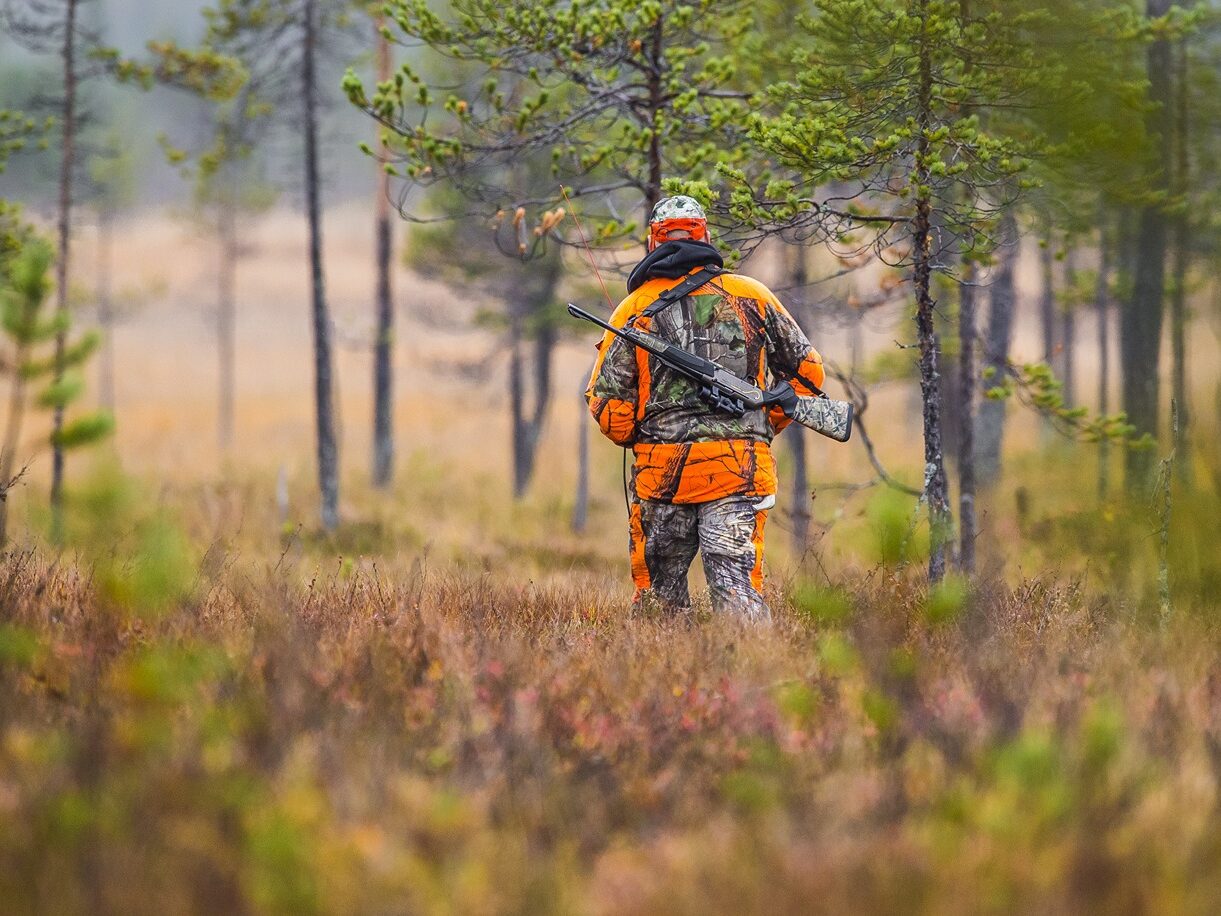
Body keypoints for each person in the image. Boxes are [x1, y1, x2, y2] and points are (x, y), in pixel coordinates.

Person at [584, 195, 826, 621]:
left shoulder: (633, 309)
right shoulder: (753, 295)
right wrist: (758, 421)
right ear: (707, 236)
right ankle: (755, 681)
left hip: (662, 478)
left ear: (652, 242)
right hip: (740, 471)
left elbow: (609, 409)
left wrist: (644, 433)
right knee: (738, 594)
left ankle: (663, 686)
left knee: (661, 605)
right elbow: (808, 374)